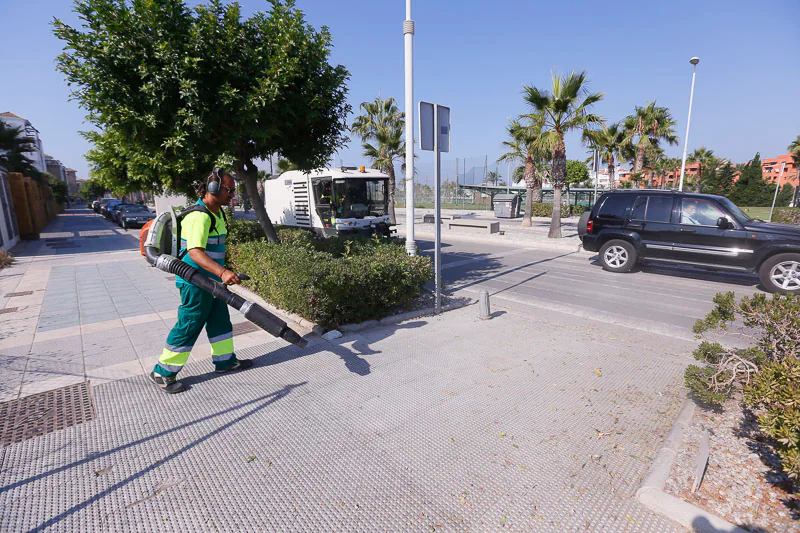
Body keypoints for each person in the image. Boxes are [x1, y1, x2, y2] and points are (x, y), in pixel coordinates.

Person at [149, 168, 252, 394]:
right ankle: (162, 372)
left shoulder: (217, 213)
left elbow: (215, 249)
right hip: (195, 282)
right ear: (213, 188)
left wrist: (221, 273)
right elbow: (195, 252)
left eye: (234, 190)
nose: (232, 194)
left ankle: (225, 362)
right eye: (229, 189)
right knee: (189, 324)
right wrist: (223, 272)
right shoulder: (199, 216)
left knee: (220, 321)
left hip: (212, 281)